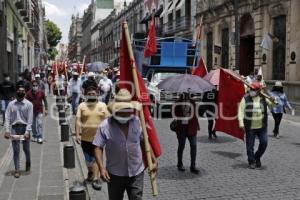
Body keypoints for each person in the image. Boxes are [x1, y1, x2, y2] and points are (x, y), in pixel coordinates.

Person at [93, 88, 157, 200]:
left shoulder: (137, 122)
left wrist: (153, 158)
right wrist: (101, 168)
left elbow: (144, 141)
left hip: (136, 172)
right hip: (114, 174)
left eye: (127, 109)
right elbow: (98, 147)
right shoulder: (105, 126)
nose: (124, 112)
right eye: (121, 110)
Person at [75, 86, 110, 190]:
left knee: (96, 159)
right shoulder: (82, 106)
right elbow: (78, 121)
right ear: (86, 95)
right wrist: (77, 134)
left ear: (97, 94)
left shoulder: (103, 105)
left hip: (99, 139)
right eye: (89, 94)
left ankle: (96, 179)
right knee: (88, 160)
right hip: (85, 138)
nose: (91, 95)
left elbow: (108, 121)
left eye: (93, 94)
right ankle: (91, 172)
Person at [238, 82, 276, 169]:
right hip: (250, 126)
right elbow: (241, 111)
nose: (252, 91)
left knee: (264, 143)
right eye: (251, 89)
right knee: (250, 145)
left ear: (259, 91)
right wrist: (241, 123)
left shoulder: (264, 98)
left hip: (262, 126)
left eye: (254, 90)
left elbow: (272, 106)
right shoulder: (245, 98)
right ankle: (251, 161)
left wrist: (273, 100)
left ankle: (257, 156)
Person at [4, 84, 33, 178]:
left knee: (26, 149)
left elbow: (30, 119)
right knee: (16, 150)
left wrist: (28, 132)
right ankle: (17, 169)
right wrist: (7, 130)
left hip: (25, 128)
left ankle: (28, 161)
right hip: (14, 129)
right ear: (16, 92)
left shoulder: (29, 104)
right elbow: (7, 117)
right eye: (19, 91)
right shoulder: (11, 104)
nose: (21, 92)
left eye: (22, 91)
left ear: (25, 92)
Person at [174, 92, 200, 174]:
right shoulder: (178, 102)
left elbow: (196, 115)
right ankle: (179, 163)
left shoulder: (193, 102)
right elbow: (175, 114)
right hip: (181, 128)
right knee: (181, 146)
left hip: (192, 127)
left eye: (188, 92)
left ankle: (193, 166)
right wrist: (183, 111)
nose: (186, 93)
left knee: (194, 145)